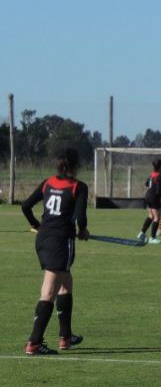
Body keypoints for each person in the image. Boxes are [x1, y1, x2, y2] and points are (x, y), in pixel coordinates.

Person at [20, 148, 89, 355]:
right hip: (61, 242)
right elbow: (80, 218)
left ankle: (65, 336)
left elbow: (25, 206)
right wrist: (83, 231)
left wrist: (37, 225)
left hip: (43, 239)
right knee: (49, 290)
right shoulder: (79, 187)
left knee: (65, 284)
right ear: (76, 165)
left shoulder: (47, 183)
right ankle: (34, 342)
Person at [138, 159, 161, 244]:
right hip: (154, 197)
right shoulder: (159, 176)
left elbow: (147, 183)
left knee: (151, 216)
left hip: (148, 196)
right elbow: (158, 191)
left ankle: (142, 233)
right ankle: (152, 238)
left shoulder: (152, 174)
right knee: (157, 217)